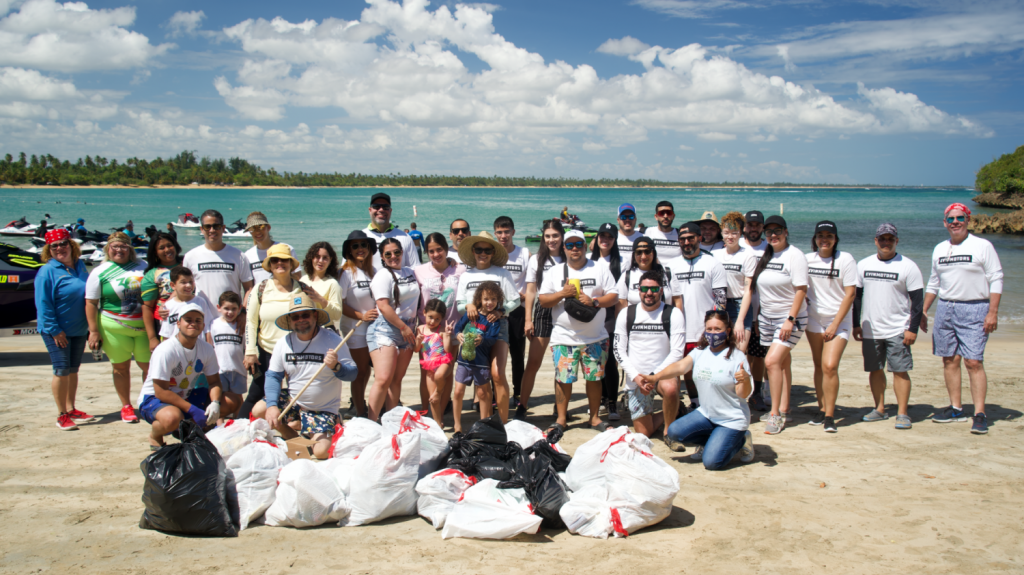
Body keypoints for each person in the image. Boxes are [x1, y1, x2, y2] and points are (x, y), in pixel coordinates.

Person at [921, 203, 1003, 435]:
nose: (955, 222)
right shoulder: (939, 249)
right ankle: (956, 408)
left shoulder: (982, 246)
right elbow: (934, 282)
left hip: (975, 307)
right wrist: (924, 310)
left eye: (960, 218)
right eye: (950, 219)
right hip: (946, 308)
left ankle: (979, 414)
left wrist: (993, 311)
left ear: (968, 220)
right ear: (944, 222)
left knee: (973, 361)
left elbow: (996, 278)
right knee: (949, 359)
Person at [651, 310, 755, 470]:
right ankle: (712, 440)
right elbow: (680, 366)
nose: (713, 333)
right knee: (674, 431)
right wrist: (655, 377)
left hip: (731, 420)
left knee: (712, 462)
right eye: (710, 329)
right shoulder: (700, 352)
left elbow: (743, 394)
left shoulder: (737, 358)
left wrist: (745, 379)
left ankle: (741, 441)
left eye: (718, 329)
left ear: (728, 331)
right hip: (707, 414)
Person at [257, 294, 357, 460]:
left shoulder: (333, 339)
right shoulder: (283, 343)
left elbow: (353, 374)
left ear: (315, 315)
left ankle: (328, 423)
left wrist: (336, 367)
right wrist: (272, 405)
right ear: (290, 320)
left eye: (305, 315)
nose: (301, 319)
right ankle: (297, 435)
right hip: (294, 402)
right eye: (295, 316)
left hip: (323, 409)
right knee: (260, 410)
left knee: (321, 452)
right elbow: (273, 376)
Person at [538, 229, 619, 433]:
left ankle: (593, 418)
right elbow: (543, 300)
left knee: (594, 378)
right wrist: (562, 294)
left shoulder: (599, 268)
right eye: (570, 245)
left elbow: (614, 295)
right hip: (564, 337)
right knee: (563, 379)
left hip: (595, 337)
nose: (575, 249)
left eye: (579, 244)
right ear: (564, 248)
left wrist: (594, 301)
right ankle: (562, 419)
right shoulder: (555, 272)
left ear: (586, 246)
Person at [240, 244, 330, 418]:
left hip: (296, 351)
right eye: (275, 260)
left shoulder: (302, 288)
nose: (280, 263)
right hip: (266, 351)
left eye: (284, 260)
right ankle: (239, 425)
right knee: (257, 392)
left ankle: (294, 426)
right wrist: (250, 351)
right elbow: (251, 322)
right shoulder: (260, 289)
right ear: (269, 265)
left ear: (291, 263)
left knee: (297, 392)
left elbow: (317, 317)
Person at [737, 215, 807, 435]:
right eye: (769, 232)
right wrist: (757, 319)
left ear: (786, 232)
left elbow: (801, 290)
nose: (773, 235)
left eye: (777, 231)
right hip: (766, 318)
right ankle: (785, 407)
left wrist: (790, 319)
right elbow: (757, 291)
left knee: (771, 361)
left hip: (789, 320)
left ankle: (775, 413)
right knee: (783, 363)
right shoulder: (766, 256)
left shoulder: (794, 255)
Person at [853, 223, 923, 431]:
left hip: (898, 329)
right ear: (876, 241)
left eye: (890, 239)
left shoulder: (908, 266)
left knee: (900, 371)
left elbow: (917, 302)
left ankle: (902, 413)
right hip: (871, 328)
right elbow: (856, 297)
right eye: (882, 239)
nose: (886, 243)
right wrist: (856, 324)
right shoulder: (864, 264)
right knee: (875, 369)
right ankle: (880, 408)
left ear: (896, 241)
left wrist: (913, 329)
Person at [138, 303, 224, 449]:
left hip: (186, 394)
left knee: (229, 401)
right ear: (178, 323)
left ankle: (185, 427)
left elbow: (214, 381)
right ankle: (156, 434)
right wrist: (191, 409)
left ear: (203, 325)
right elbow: (160, 391)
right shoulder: (165, 350)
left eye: (197, 321)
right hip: (154, 398)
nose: (193, 324)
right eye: (188, 320)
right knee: (172, 418)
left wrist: (215, 403)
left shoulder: (206, 349)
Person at [614, 271, 685, 448]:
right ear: (638, 290)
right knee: (644, 432)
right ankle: (677, 410)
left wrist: (654, 376)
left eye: (654, 289)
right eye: (644, 288)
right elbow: (619, 350)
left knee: (670, 387)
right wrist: (637, 378)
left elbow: (677, 352)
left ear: (661, 291)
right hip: (637, 378)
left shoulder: (673, 313)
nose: (649, 293)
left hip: (661, 375)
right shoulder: (626, 314)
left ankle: (669, 432)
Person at [455, 231, 521, 422]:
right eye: (479, 249)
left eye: (487, 250)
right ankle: (487, 419)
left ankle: (503, 421)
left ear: (493, 252)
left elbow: (515, 300)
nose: (482, 253)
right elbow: (460, 305)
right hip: (473, 328)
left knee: (497, 374)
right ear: (473, 252)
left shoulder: (502, 273)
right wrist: (468, 306)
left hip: (498, 325)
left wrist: (501, 311)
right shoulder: (466, 275)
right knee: (481, 376)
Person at [85, 231, 149, 423]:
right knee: (121, 368)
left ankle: (148, 403)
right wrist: (94, 331)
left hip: (144, 328)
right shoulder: (100, 271)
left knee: (149, 367)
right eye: (115, 247)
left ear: (130, 249)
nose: (119, 250)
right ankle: (126, 406)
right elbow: (90, 302)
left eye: (123, 246)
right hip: (113, 326)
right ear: (108, 249)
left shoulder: (143, 266)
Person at [666, 221, 728, 410]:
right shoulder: (670, 266)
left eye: (690, 238)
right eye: (682, 239)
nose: (686, 242)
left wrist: (713, 330)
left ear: (699, 238)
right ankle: (694, 404)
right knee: (685, 372)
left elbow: (721, 300)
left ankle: (711, 406)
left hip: (704, 331)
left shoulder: (713, 264)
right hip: (679, 331)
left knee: (708, 373)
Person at [35, 228, 92, 430]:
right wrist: (54, 329)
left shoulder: (79, 266)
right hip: (56, 330)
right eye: (54, 245)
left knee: (73, 370)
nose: (60, 248)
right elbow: (43, 304)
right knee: (61, 369)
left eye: (63, 243)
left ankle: (71, 408)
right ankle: (61, 415)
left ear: (71, 245)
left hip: (79, 329)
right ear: (49, 250)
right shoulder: (47, 271)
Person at [805, 221, 858, 432]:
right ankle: (821, 407)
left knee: (830, 366)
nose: (824, 240)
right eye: (820, 235)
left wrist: (835, 325)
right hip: (814, 319)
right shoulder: (807, 259)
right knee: (818, 365)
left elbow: (851, 294)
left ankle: (829, 415)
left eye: (829, 236)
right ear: (815, 238)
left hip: (839, 320)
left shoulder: (846, 259)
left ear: (836, 239)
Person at [366, 237, 421, 421]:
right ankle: (372, 422)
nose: (393, 256)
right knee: (383, 379)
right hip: (386, 329)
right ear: (382, 257)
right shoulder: (382, 275)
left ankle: (390, 420)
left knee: (397, 379)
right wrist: (403, 327)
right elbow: (383, 305)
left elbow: (430, 273)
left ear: (402, 252)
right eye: (388, 254)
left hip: (408, 328)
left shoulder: (409, 272)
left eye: (397, 252)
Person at [712, 212, 761, 409]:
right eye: (726, 232)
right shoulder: (715, 254)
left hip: (741, 305)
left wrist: (740, 320)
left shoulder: (748, 255)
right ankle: (722, 398)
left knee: (739, 353)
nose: (730, 236)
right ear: (721, 234)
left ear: (741, 233)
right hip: (721, 305)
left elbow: (749, 289)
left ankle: (739, 399)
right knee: (719, 351)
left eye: (734, 232)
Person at [413, 233, 466, 414]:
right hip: (427, 331)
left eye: (439, 250)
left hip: (452, 329)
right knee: (426, 372)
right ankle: (425, 410)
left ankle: (441, 410)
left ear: (446, 249)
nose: (436, 254)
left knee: (447, 372)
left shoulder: (460, 270)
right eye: (431, 251)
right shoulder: (419, 271)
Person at [519, 220, 565, 420]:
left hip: (565, 311)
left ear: (562, 236)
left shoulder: (570, 256)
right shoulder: (537, 259)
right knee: (534, 362)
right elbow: (530, 291)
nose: (551, 240)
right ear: (543, 238)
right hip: (543, 312)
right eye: (548, 236)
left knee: (562, 363)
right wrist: (528, 319)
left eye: (555, 235)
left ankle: (559, 406)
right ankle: (522, 404)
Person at [452, 282, 505, 431]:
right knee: (458, 391)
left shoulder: (493, 320)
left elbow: (493, 339)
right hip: (464, 361)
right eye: (486, 299)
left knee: (482, 394)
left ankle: (483, 426)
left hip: (481, 363)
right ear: (479, 299)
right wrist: (458, 334)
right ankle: (457, 426)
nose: (490, 303)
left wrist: (483, 340)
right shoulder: (471, 315)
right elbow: (458, 327)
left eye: (494, 299)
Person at [338, 230, 379, 418]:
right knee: (360, 371)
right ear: (349, 250)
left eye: (364, 245)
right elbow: (339, 304)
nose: (360, 249)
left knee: (367, 369)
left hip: (374, 329)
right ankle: (359, 411)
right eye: (355, 246)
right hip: (355, 329)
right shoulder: (345, 273)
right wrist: (361, 316)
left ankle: (359, 403)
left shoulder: (374, 272)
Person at [182, 209, 254, 312]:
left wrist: (243, 312)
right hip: (201, 320)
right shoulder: (190, 256)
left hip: (231, 320)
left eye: (216, 226)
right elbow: (183, 288)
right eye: (207, 227)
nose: (212, 230)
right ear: (201, 229)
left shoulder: (238, 256)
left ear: (223, 228)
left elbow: (249, 289)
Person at [590, 222, 625, 419]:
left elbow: (621, 294)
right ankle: (601, 398)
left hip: (612, 315)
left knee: (610, 360)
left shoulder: (621, 262)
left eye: (610, 237)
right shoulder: (589, 260)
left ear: (615, 240)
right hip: (592, 316)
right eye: (602, 236)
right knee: (596, 359)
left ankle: (612, 401)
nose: (605, 240)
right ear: (596, 239)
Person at [494, 216, 530, 408]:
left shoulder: (524, 253)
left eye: (507, 231)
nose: (503, 236)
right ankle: (494, 394)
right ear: (495, 234)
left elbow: (532, 281)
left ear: (513, 232)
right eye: (499, 232)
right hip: (497, 311)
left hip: (517, 311)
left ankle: (518, 393)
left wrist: (525, 296)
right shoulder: (492, 253)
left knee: (517, 354)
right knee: (495, 355)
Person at [740, 209, 770, 407]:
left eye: (757, 225)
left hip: (764, 307)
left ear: (762, 227)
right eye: (750, 225)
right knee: (742, 354)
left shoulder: (769, 248)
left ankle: (757, 391)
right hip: (741, 308)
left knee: (758, 356)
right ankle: (743, 390)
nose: (753, 228)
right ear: (744, 227)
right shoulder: (739, 246)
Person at [141, 233, 184, 351]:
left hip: (192, 320)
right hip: (164, 324)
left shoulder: (188, 265)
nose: (167, 250)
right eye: (161, 248)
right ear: (155, 252)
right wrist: (152, 338)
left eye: (170, 245)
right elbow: (147, 307)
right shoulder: (152, 275)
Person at [416, 299, 455, 425]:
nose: (433, 321)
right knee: (433, 400)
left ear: (442, 319)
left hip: (443, 362)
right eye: (430, 317)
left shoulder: (442, 330)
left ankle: (439, 392)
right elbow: (416, 349)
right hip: (429, 365)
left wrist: (448, 335)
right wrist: (418, 340)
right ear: (424, 313)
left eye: (437, 319)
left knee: (439, 376)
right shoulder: (420, 329)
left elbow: (448, 349)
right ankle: (439, 423)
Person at [211, 291, 246, 419]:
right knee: (220, 397)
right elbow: (211, 346)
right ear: (218, 308)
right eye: (226, 308)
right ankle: (218, 423)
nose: (230, 312)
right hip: (220, 368)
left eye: (234, 309)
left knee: (238, 397)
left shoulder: (243, 324)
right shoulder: (214, 324)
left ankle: (239, 421)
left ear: (239, 309)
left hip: (238, 368)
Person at [157, 266, 217, 340]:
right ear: (173, 285)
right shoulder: (168, 306)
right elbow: (166, 333)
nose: (188, 285)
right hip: (176, 350)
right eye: (183, 282)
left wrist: (209, 347)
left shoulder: (200, 302)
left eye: (190, 282)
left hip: (198, 348)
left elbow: (207, 328)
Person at [364, 192, 418, 269]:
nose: (381, 209)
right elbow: (348, 271)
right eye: (376, 206)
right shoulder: (361, 237)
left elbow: (415, 269)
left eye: (385, 207)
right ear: (370, 210)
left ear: (390, 210)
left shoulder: (405, 237)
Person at [244, 211, 298, 285]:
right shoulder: (247, 255)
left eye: (261, 227)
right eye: (252, 229)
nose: (257, 232)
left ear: (268, 227)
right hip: (259, 295)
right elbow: (249, 285)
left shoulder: (286, 248)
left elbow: (297, 277)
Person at [299, 241, 344, 330]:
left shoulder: (332, 283)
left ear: (330, 260)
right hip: (304, 329)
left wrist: (321, 300)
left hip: (324, 330)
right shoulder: (303, 280)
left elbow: (337, 315)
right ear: (311, 258)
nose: (321, 261)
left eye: (325, 258)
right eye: (317, 257)